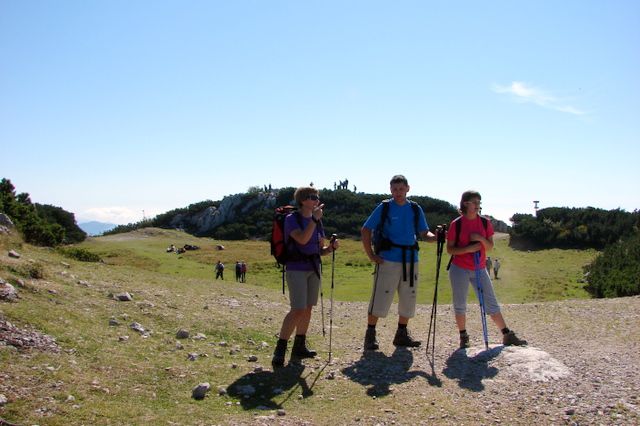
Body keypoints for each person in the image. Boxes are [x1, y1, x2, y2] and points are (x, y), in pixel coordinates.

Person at [360, 175, 436, 350]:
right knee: (380, 296)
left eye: (401, 189)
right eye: (394, 189)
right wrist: (371, 255)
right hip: (388, 259)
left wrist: (436, 237)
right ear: (390, 190)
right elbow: (366, 229)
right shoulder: (384, 207)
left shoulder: (415, 209)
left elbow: (425, 233)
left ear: (408, 188)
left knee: (409, 296)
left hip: (411, 259)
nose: (398, 193)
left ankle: (401, 334)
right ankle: (370, 335)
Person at [446, 190, 526, 349]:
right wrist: (469, 249)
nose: (477, 205)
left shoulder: (484, 222)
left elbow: (489, 246)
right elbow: (450, 250)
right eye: (474, 202)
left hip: (479, 267)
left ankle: (506, 334)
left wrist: (480, 239)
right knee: (460, 303)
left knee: (490, 301)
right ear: (465, 203)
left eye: (479, 202)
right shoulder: (457, 224)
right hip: (459, 268)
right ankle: (463, 336)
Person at [272, 186, 339, 367]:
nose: (316, 199)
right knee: (297, 309)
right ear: (302, 200)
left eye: (317, 196)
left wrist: (330, 248)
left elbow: (319, 250)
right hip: (296, 269)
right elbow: (301, 239)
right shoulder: (291, 219)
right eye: (311, 197)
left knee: (308, 308)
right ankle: (280, 348)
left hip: (313, 268)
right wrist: (314, 220)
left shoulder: (318, 221)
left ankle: (299, 346)